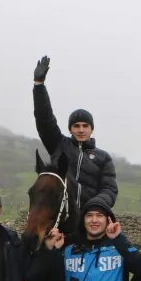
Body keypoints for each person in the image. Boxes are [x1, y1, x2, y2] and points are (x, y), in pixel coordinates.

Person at [32, 56, 118, 210]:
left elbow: (109, 190)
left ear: (92, 129)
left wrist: (93, 207)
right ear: (70, 129)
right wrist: (39, 86)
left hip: (89, 220)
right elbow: (44, 119)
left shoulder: (103, 158)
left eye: (85, 126)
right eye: (76, 126)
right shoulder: (58, 144)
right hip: (60, 219)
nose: (81, 130)